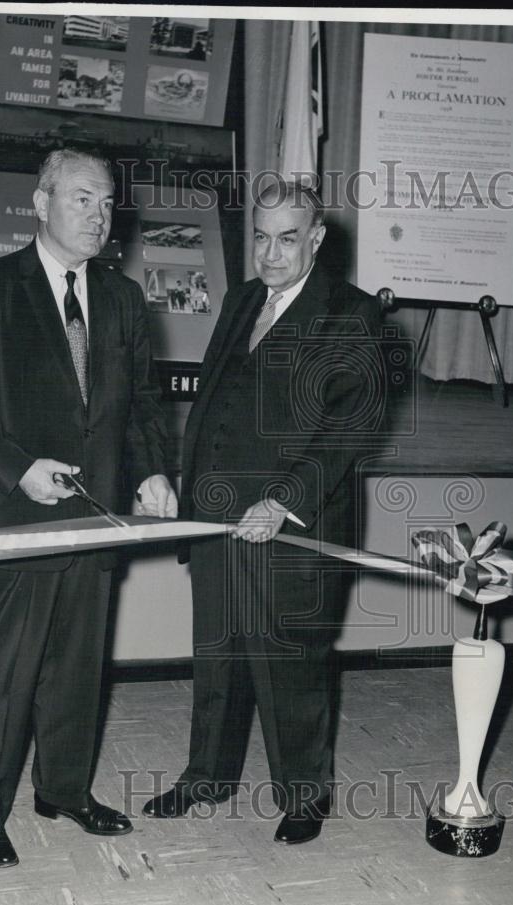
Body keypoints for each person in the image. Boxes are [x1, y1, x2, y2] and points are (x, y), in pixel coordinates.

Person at [0, 149, 177, 867]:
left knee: (77, 664)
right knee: (1, 671)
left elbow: (141, 406)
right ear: (40, 204)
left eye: (106, 203)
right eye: (82, 200)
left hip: (95, 519)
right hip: (10, 516)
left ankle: (63, 790)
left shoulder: (124, 300)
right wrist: (17, 467)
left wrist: (153, 471)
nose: (99, 216)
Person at [143, 180, 386, 845]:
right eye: (260, 236)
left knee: (290, 662)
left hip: (289, 523)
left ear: (315, 239)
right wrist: (188, 483)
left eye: (287, 239)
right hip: (218, 516)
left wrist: (282, 500)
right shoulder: (244, 298)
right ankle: (208, 777)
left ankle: (303, 795)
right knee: (216, 653)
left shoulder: (352, 315)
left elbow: (348, 429)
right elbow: (217, 400)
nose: (270, 254)